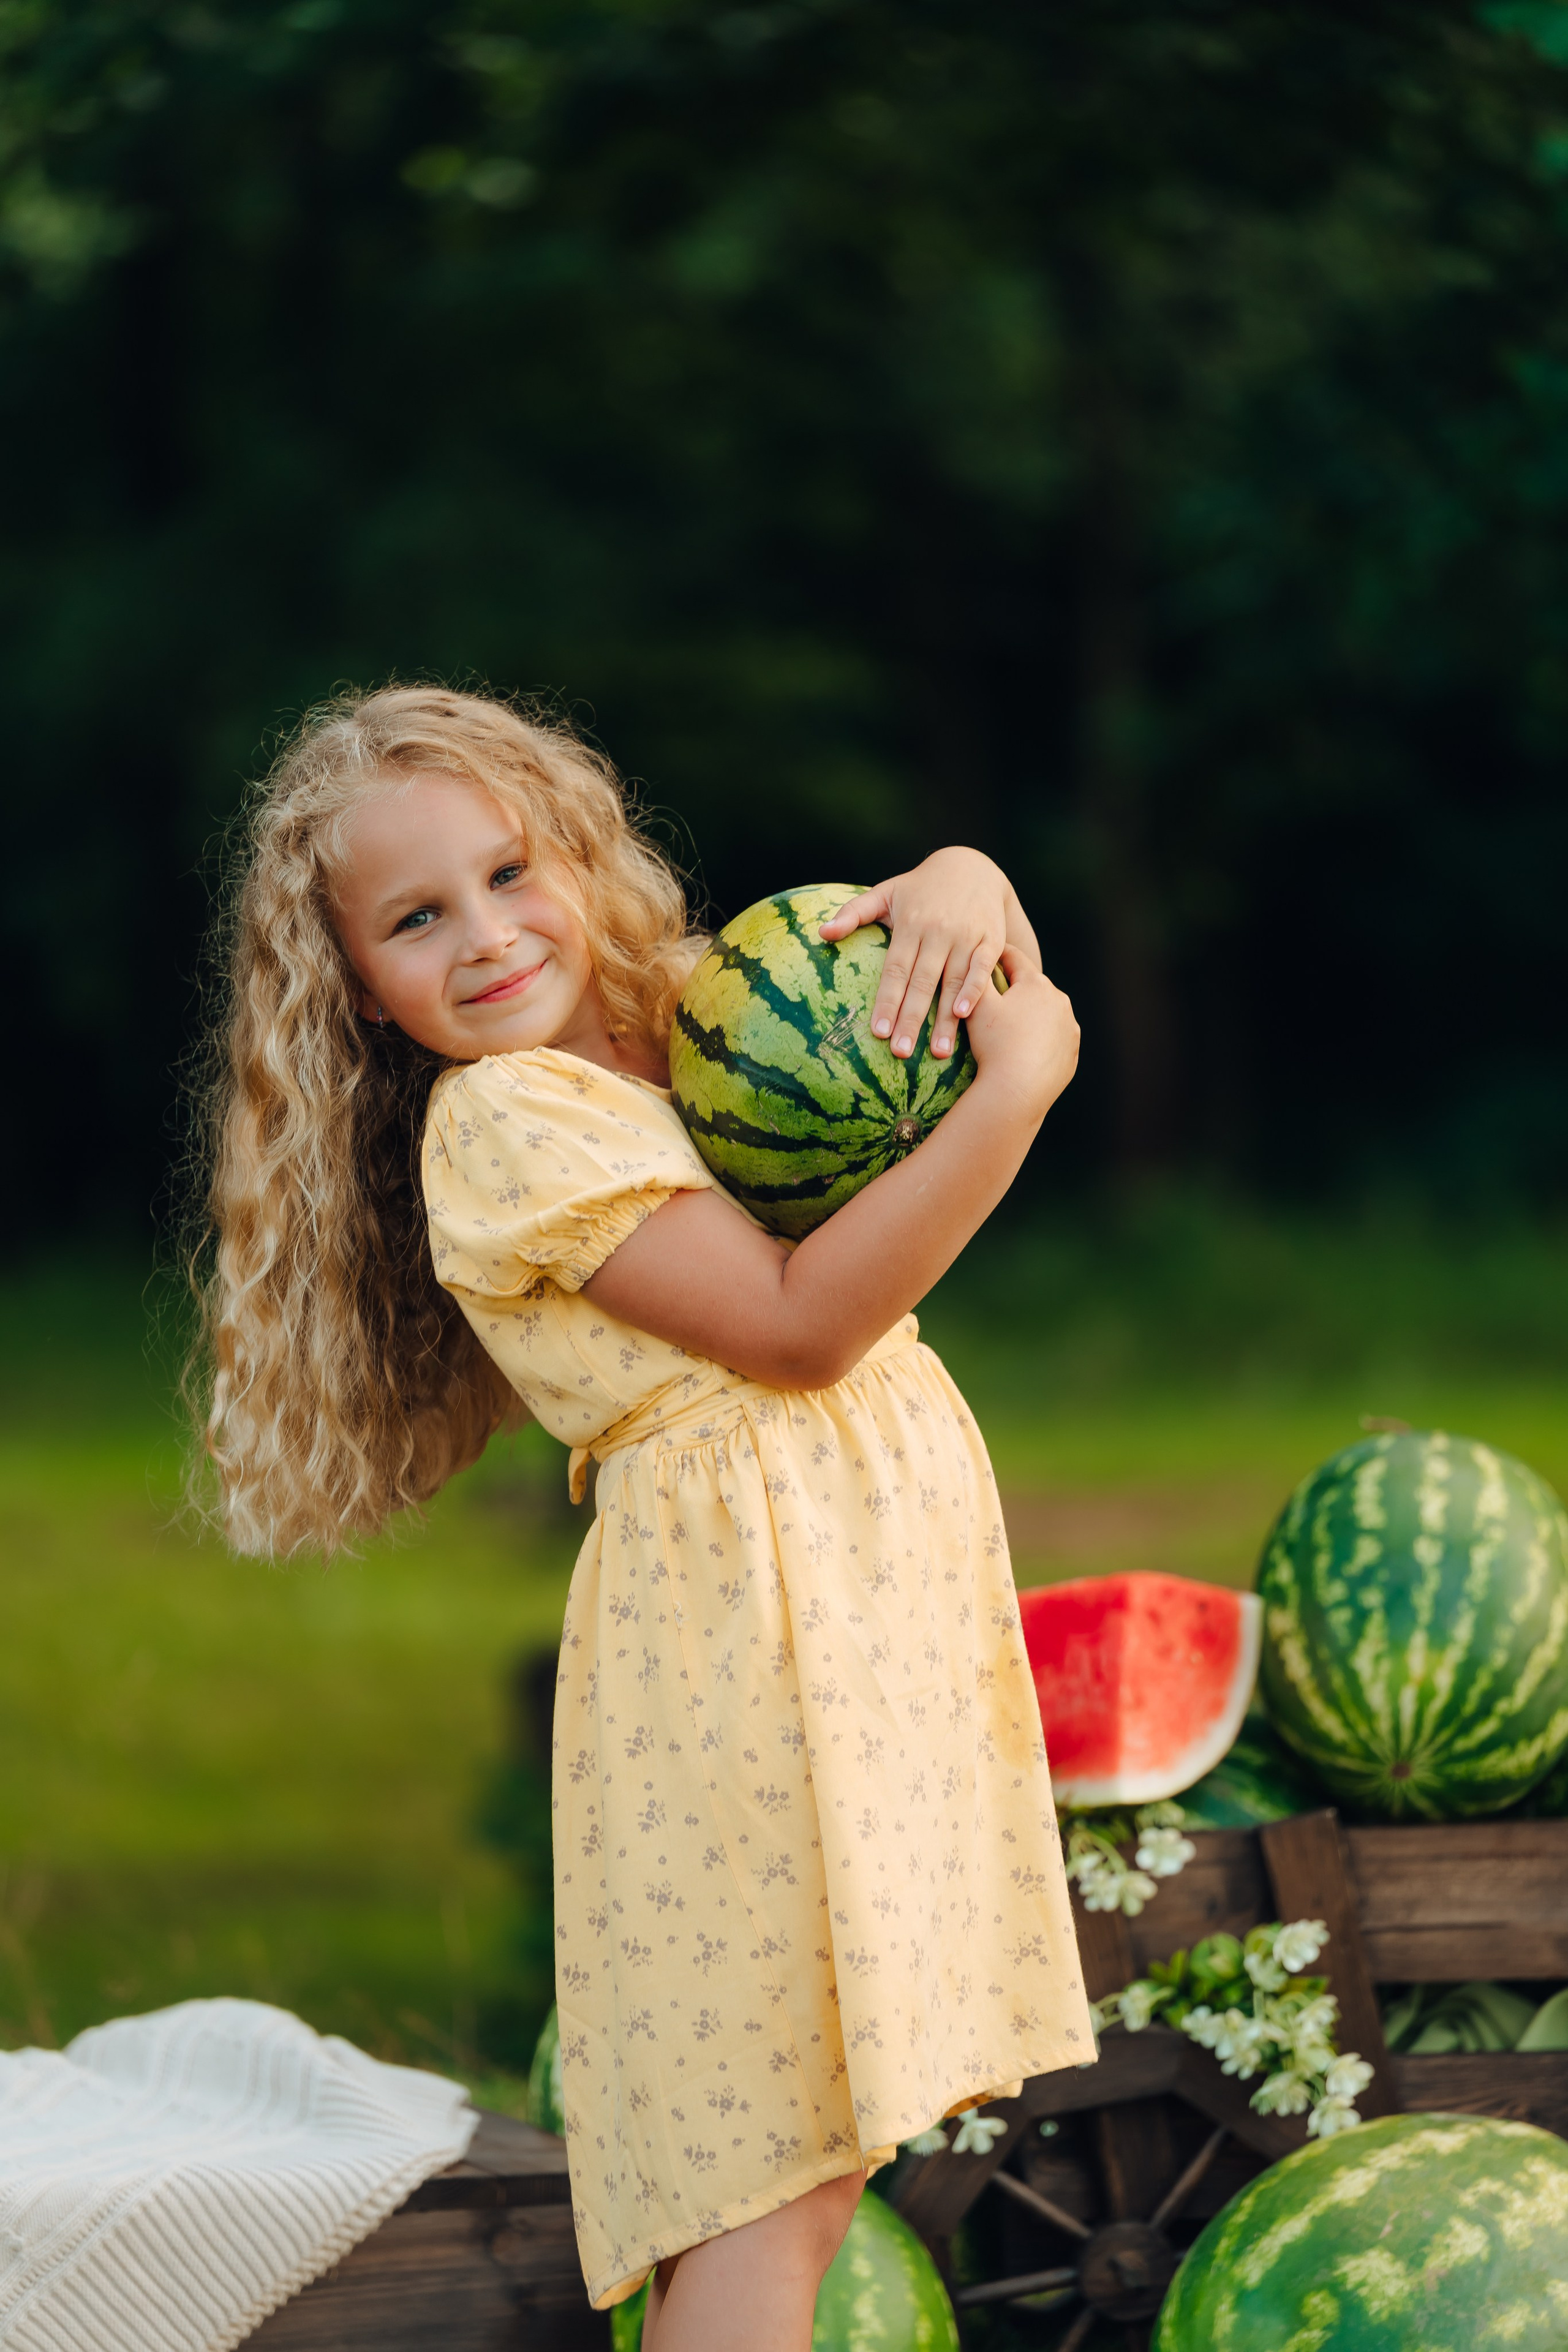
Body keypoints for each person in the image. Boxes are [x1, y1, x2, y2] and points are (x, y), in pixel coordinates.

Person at [191, 683, 1092, 2351]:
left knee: (816, 2169)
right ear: (366, 996)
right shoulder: (510, 1125)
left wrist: (964, 874)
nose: (485, 934)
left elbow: (907, 940)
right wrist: (1013, 1094)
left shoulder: (674, 1032)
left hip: (840, 1612)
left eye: (509, 871)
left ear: (580, 856)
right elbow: (800, 1321)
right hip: (742, 1651)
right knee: (774, 2182)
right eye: (415, 920)